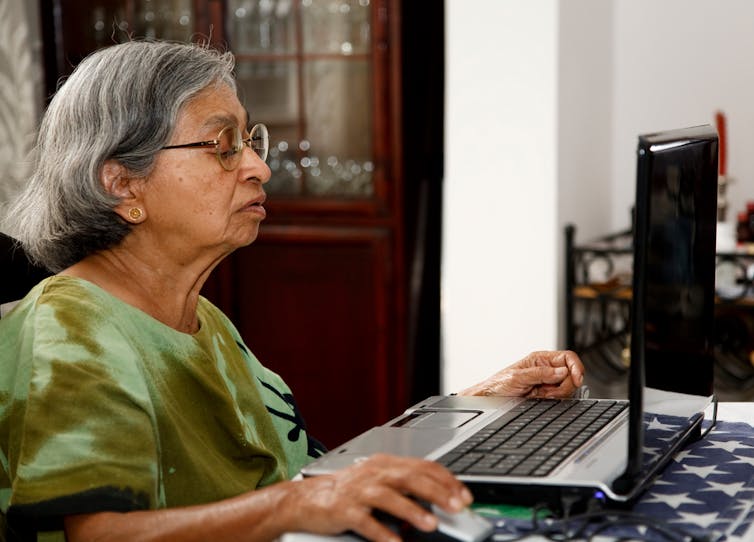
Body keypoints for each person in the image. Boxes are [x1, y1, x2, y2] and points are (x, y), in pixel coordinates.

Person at [0, 40, 584, 542]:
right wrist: (293, 507)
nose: (258, 167)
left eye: (250, 140)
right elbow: (98, 534)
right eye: (221, 144)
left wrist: (479, 403)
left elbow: (315, 470)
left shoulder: (199, 317)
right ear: (123, 183)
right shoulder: (70, 327)